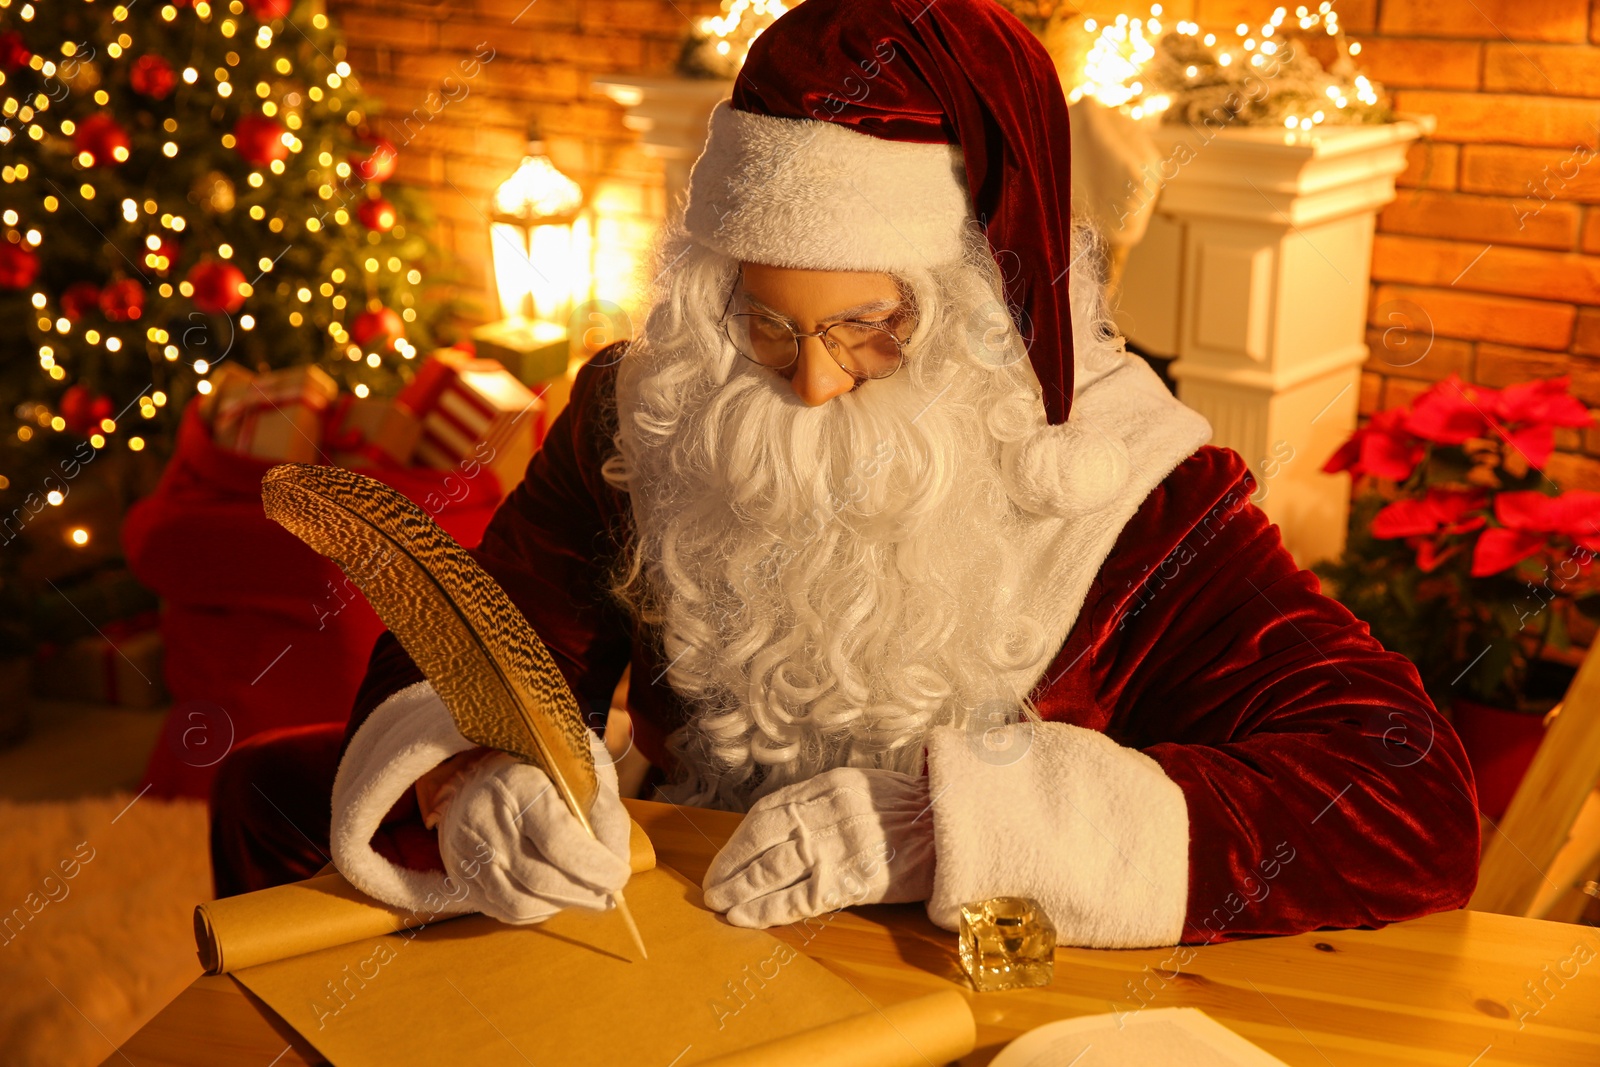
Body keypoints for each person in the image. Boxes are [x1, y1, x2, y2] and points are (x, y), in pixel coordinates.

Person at [211, 0, 1480, 946]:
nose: (809, 382)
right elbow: (479, 644)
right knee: (277, 785)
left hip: (948, 969)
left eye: (870, 329)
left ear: (980, 299)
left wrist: (958, 826)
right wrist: (482, 772)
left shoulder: (1132, 489)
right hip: (680, 914)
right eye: (765, 324)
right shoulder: (644, 407)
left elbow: (1403, 783)